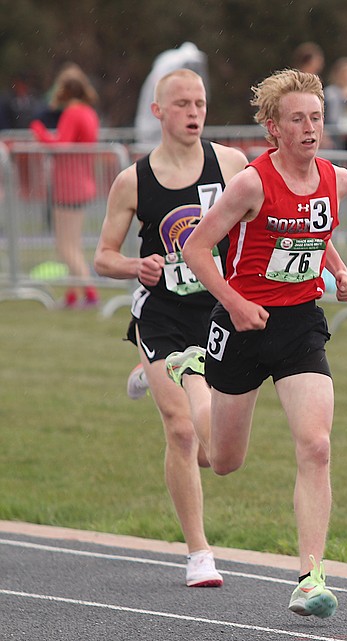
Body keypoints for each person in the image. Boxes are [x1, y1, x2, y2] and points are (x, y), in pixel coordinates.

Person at [177, 68, 347, 619]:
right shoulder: (252, 183)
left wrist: (341, 271)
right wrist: (233, 302)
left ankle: (310, 578)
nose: (309, 128)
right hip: (240, 324)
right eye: (297, 119)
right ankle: (191, 376)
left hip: (300, 323)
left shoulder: (338, 179)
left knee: (317, 445)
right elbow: (197, 249)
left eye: (316, 118)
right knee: (222, 460)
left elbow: (313, 232)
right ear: (273, 128)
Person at [93, 69, 249, 588]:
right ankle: (199, 553)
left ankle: (145, 371)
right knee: (181, 430)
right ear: (158, 112)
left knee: (214, 452)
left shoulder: (230, 163)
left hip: (215, 310)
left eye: (200, 102)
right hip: (160, 314)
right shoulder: (133, 180)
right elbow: (102, 257)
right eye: (181, 103)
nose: (193, 112)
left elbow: (262, 220)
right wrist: (135, 267)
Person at [30, 65, 101, 308]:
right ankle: (73, 294)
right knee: (73, 243)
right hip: (82, 182)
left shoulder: (73, 112)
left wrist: (39, 132)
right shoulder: (89, 112)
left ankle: (90, 293)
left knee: (65, 245)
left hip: (69, 185)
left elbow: (61, 144)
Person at [134, 42, 209, 148]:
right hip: (152, 135)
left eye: (199, 104)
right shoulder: (167, 69)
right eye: (182, 104)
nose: (193, 112)